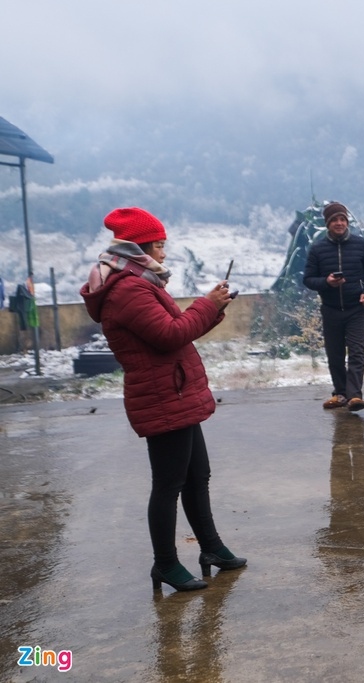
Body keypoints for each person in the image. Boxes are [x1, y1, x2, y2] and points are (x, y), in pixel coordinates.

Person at [80, 207, 246, 593]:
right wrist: (209, 304)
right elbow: (171, 334)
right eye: (159, 245)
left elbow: (176, 330)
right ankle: (166, 564)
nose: (164, 253)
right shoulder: (129, 289)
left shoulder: (141, 282)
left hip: (176, 391)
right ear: (140, 246)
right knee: (168, 483)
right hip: (160, 395)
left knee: (196, 476)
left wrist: (212, 308)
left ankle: (212, 549)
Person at [303, 202, 364, 411]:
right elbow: (309, 279)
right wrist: (326, 282)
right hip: (330, 309)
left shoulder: (361, 245)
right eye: (334, 220)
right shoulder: (318, 249)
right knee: (335, 354)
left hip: (357, 308)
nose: (339, 223)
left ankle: (355, 396)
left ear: (347, 221)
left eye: (342, 219)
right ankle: (340, 394)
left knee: (356, 352)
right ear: (328, 224)